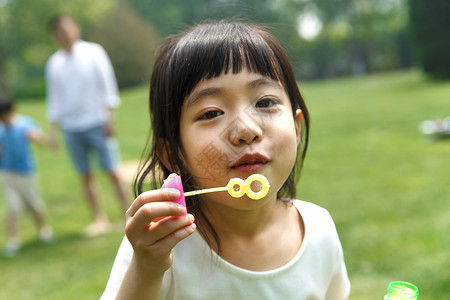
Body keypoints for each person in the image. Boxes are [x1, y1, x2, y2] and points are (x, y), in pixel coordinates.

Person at [101, 22, 350, 299]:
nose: (245, 130)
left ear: (296, 128)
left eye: (265, 102)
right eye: (211, 113)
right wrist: (147, 269)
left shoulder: (319, 230)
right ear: (173, 154)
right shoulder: (160, 244)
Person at [45, 15, 129, 237]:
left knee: (112, 170)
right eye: (59, 31)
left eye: (67, 28)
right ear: (55, 36)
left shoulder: (94, 52)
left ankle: (128, 214)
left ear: (76, 28)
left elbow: (107, 85)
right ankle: (98, 219)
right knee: (85, 175)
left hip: (97, 122)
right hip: (71, 127)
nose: (64, 34)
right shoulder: (54, 63)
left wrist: (110, 117)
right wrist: (53, 130)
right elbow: (55, 99)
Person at [0, 94, 53, 256]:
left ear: (13, 111)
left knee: (34, 204)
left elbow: (39, 138)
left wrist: (36, 137)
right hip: (8, 174)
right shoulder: (1, 129)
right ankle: (14, 240)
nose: (4, 121)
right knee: (13, 207)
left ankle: (44, 230)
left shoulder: (24, 124)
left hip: (26, 173)